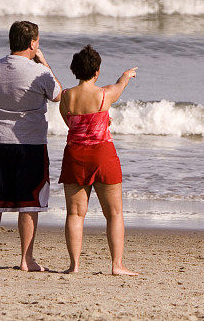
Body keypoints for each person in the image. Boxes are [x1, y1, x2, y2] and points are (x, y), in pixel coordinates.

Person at [0, 20, 63, 271]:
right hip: (31, 145)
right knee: (29, 204)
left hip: (0, 142)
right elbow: (59, 94)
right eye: (37, 41)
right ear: (32, 43)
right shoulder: (40, 72)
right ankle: (26, 259)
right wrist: (43, 61)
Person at [58, 44, 138, 275]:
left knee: (75, 213)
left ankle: (74, 265)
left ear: (74, 70)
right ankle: (117, 265)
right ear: (97, 72)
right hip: (102, 154)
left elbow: (71, 124)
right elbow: (120, 86)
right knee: (114, 213)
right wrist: (126, 75)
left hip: (75, 155)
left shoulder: (66, 96)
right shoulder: (104, 94)